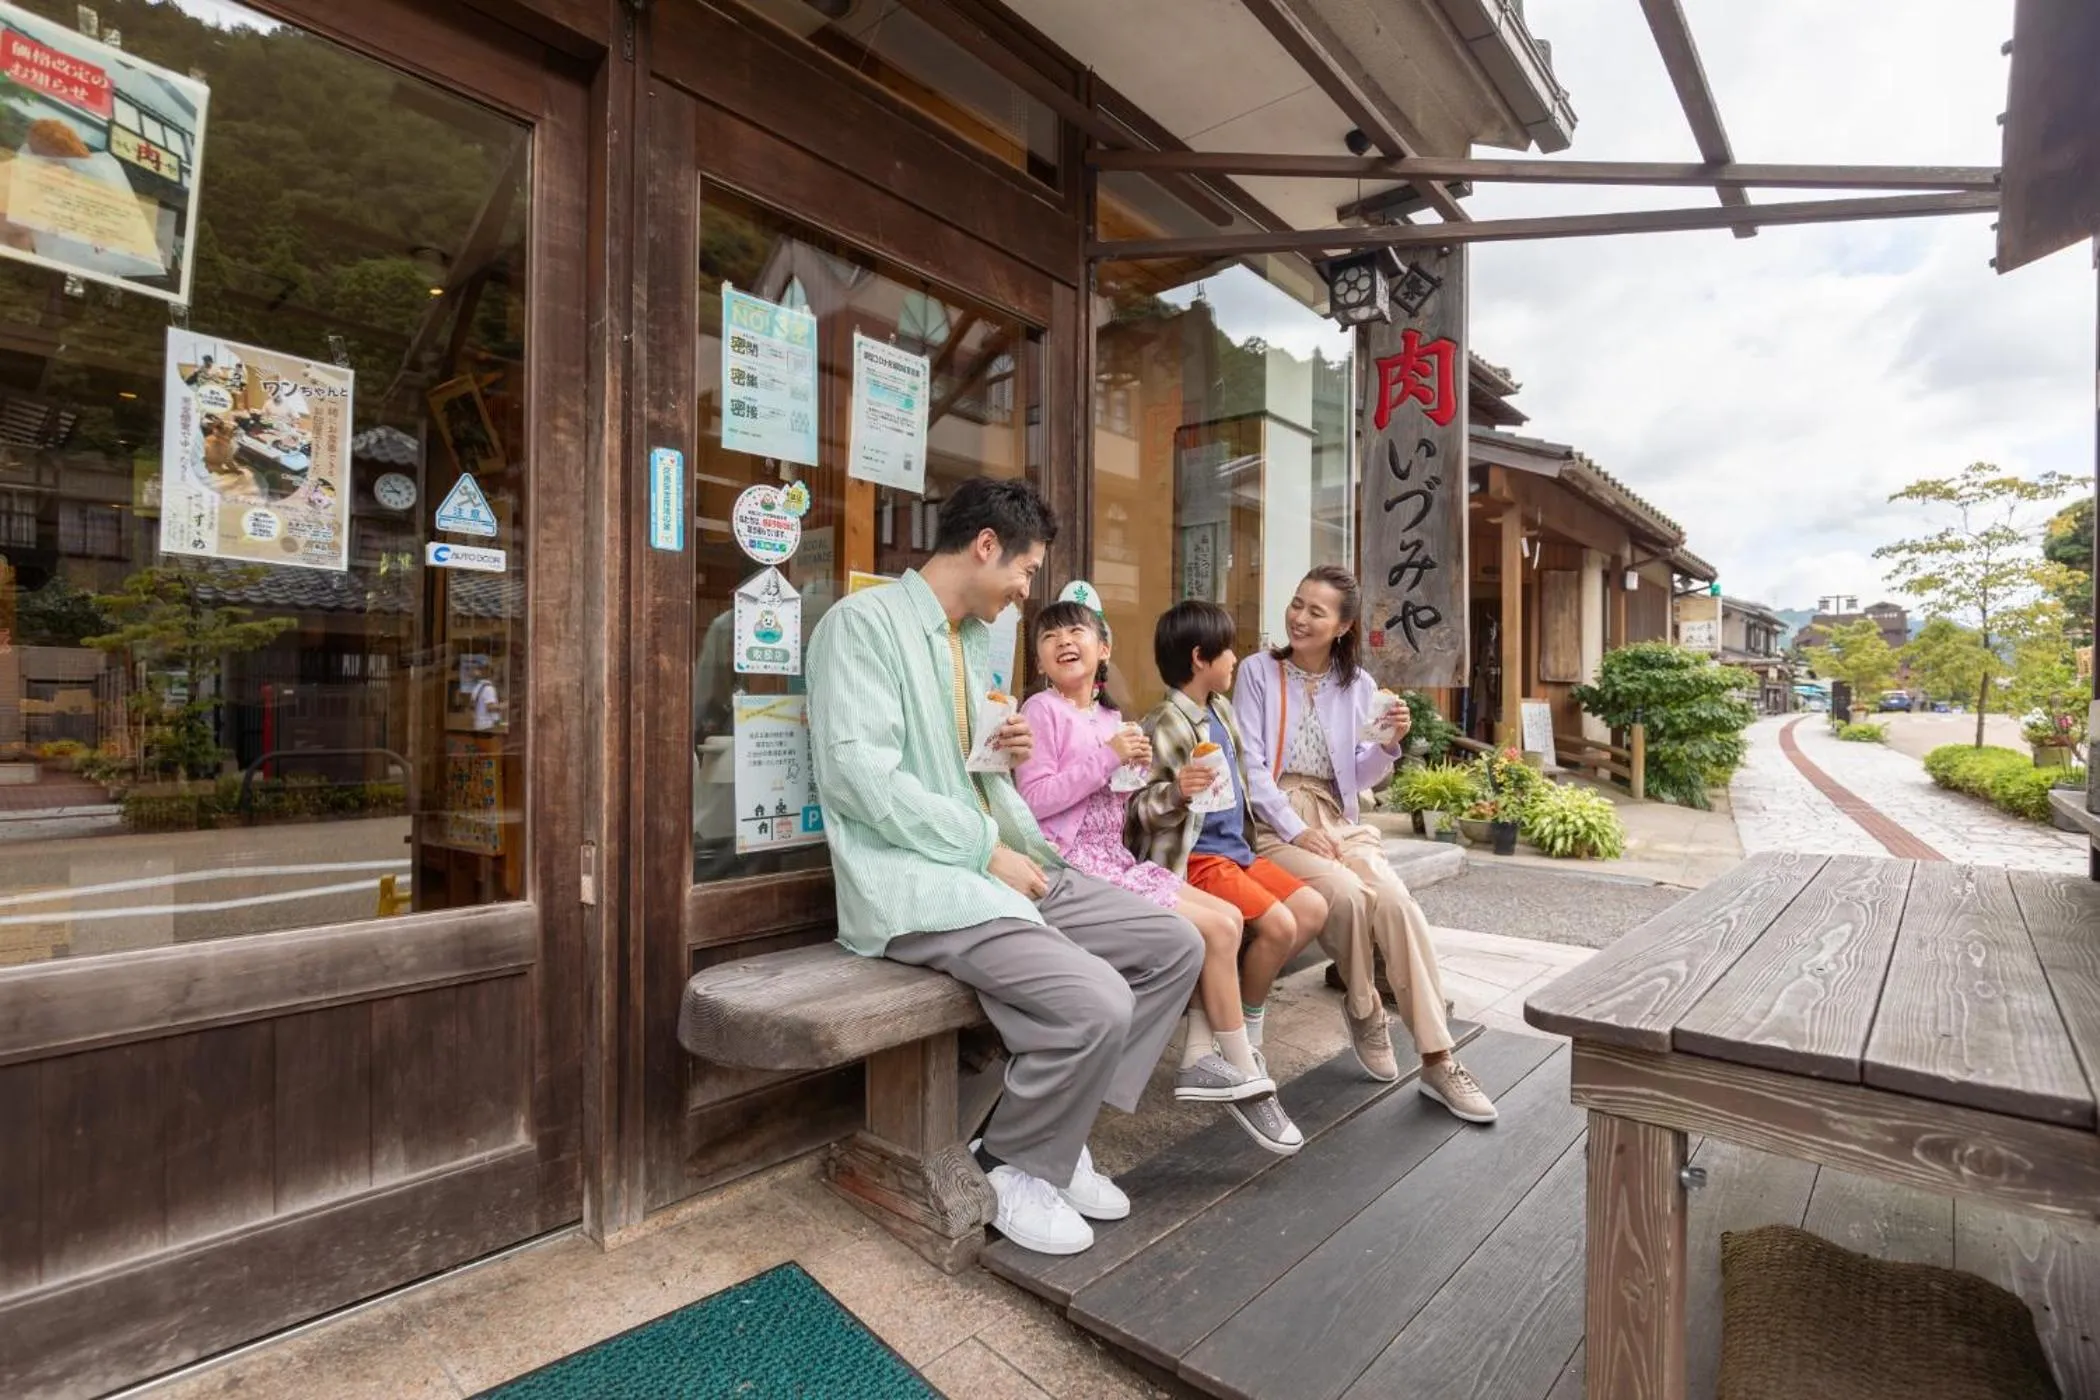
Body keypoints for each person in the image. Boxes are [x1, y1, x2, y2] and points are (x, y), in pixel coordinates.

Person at [805, 477, 1204, 1258]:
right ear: (986, 546)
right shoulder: (862, 626)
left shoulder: (973, 641)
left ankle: (1063, 1135)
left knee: (1173, 947)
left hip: (997, 863)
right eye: (1025, 571)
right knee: (1096, 1001)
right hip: (917, 884)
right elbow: (860, 779)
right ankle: (1013, 1166)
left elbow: (977, 774)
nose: (1027, 589)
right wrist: (985, 848)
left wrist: (1007, 774)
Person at [1014, 592, 1302, 1154]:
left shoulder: (1112, 719)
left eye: (1077, 633)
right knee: (1216, 928)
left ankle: (1210, 1059)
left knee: (1226, 920)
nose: (1064, 642)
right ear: (1040, 662)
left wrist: (1144, 779)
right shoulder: (1039, 712)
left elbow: (1123, 806)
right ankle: (1242, 1072)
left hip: (1117, 859)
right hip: (1073, 865)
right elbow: (1036, 803)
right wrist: (1108, 760)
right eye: (1050, 638)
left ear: (1104, 649)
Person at [1233, 565, 1498, 1124]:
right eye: (1297, 604)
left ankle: (1437, 1058)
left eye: (1316, 611)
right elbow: (1249, 764)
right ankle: (1363, 1003)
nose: (1300, 618)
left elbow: (1361, 774)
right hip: (1274, 820)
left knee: (1397, 901)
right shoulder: (1259, 672)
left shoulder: (1359, 687)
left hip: (1338, 816)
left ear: (1343, 625)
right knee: (1349, 895)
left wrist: (1391, 743)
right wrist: (1292, 826)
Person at [1129, 600, 1328, 1154]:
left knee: (1312, 910)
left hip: (1234, 851)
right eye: (1226, 649)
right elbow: (1135, 809)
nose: (1236, 658)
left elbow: (1246, 783)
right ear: (1200, 658)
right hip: (1194, 860)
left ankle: (1234, 1029)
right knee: (1282, 926)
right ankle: (1242, 1049)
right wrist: (1177, 792)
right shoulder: (1162, 723)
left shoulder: (1223, 709)